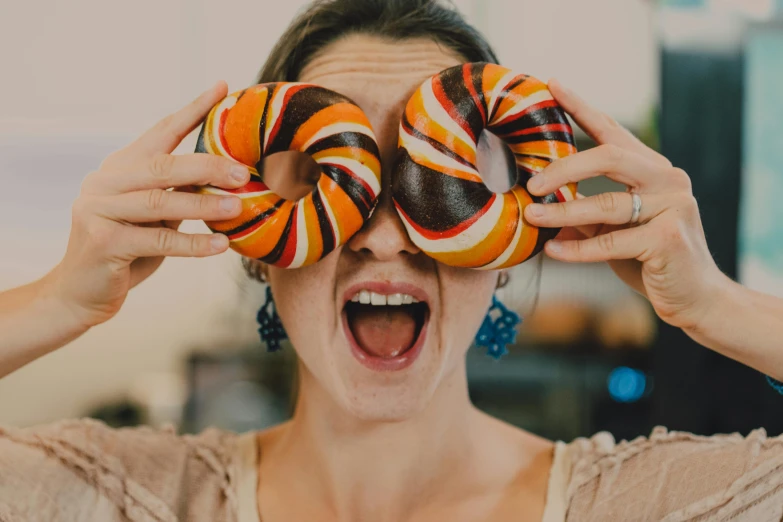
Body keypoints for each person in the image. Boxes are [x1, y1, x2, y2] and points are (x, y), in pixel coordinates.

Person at [2, 0, 783, 520]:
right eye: (324, 176)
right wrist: (57, 300)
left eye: (445, 185)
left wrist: (715, 306)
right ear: (254, 237)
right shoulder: (114, 498)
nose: (385, 234)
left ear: (514, 237)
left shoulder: (655, 506)